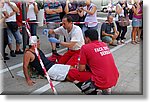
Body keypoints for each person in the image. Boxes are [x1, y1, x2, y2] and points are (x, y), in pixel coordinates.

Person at [66, 29, 119, 95]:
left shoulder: (85, 47)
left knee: (71, 73)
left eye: (84, 38)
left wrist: (77, 66)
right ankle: (106, 89)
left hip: (102, 80)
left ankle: (92, 91)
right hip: (114, 77)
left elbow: (81, 69)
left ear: (87, 38)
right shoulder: (103, 44)